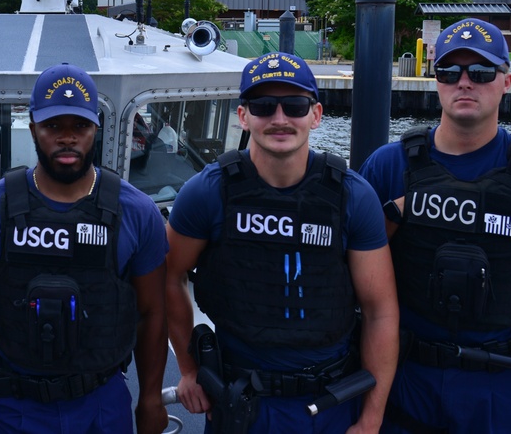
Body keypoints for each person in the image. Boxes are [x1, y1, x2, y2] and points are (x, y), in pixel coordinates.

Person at [358, 18, 511, 434]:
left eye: (480, 72)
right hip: (406, 377)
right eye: (449, 71)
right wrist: (398, 214)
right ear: (435, 79)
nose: (464, 82)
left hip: (504, 386)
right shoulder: (389, 166)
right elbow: (347, 270)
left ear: (506, 82)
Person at [166, 52, 399, 433]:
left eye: (294, 105)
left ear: (316, 114)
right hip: (238, 402)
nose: (279, 118)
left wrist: (371, 419)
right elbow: (169, 275)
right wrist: (189, 369)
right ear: (243, 116)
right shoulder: (207, 193)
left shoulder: (352, 197)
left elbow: (381, 312)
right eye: (262, 106)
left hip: (329, 403)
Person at [0, 63, 170, 434]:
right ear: (33, 125)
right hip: (16, 402)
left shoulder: (136, 213)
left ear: (95, 128)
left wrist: (149, 398)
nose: (67, 138)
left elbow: (151, 312)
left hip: (102, 403)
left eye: (80, 127)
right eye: (54, 126)